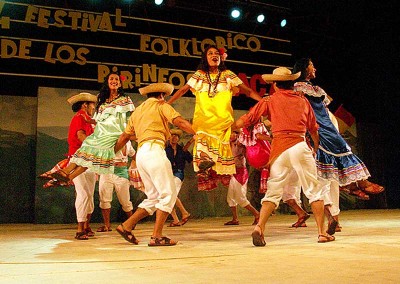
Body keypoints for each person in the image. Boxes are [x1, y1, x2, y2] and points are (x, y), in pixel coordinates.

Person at [233, 67, 334, 246]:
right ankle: (321, 233)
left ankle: (259, 228)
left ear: (274, 85)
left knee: (273, 192)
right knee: (313, 190)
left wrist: (231, 125)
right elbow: (314, 129)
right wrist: (315, 148)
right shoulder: (303, 101)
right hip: (299, 145)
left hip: (279, 150)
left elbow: (248, 118)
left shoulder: (270, 100)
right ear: (291, 83)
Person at [292, 58, 384, 233]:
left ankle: (353, 189)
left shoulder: (316, 89)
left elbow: (325, 108)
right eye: (312, 66)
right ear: (305, 69)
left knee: (334, 171)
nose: (315, 68)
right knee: (323, 179)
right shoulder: (298, 89)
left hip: (328, 127)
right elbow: (300, 112)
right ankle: (355, 187)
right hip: (316, 129)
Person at [168, 45, 263, 191]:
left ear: (220, 58)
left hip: (222, 122)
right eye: (210, 53)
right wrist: (167, 104)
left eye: (216, 53)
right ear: (205, 58)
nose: (214, 55)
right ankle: (205, 167)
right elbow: (182, 90)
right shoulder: (199, 75)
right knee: (203, 153)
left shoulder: (228, 75)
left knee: (218, 157)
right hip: (203, 121)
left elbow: (248, 91)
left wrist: (263, 102)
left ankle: (212, 169)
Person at [114, 82, 195, 247]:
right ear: (162, 95)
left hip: (142, 154)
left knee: (154, 196)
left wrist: (110, 153)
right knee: (168, 194)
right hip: (154, 150)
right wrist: (198, 132)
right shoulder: (161, 105)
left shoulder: (138, 111)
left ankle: (127, 226)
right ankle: (157, 236)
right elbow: (179, 122)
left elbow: (124, 137)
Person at [51, 71, 135, 182]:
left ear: (120, 84)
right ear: (107, 82)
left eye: (116, 79)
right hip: (101, 132)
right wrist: (91, 120)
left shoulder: (125, 100)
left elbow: (132, 117)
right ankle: (67, 173)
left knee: (93, 150)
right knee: (88, 146)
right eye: (111, 79)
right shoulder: (103, 101)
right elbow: (99, 119)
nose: (114, 81)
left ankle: (67, 173)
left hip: (114, 132)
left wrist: (132, 131)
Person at [66, 92, 98, 240]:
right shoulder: (79, 117)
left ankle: (86, 226)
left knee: (89, 195)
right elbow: (80, 136)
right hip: (78, 159)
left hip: (89, 161)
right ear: (85, 105)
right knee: (83, 194)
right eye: (92, 105)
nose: (93, 107)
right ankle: (80, 229)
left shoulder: (89, 121)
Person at [96, 141, 135, 232]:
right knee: (105, 199)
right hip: (107, 171)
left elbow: (134, 155)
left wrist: (136, 166)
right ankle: (107, 225)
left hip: (121, 172)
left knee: (125, 200)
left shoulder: (128, 142)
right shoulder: (109, 139)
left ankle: (131, 222)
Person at [224, 130, 260, 225]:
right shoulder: (228, 144)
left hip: (240, 173)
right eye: (230, 133)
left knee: (240, 198)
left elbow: (246, 148)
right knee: (230, 198)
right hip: (232, 172)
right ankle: (235, 219)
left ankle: (257, 214)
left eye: (234, 133)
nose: (231, 135)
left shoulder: (240, 143)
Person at [165, 129, 193, 227]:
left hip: (178, 174)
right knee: (169, 196)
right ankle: (176, 220)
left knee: (171, 194)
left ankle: (185, 213)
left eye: (176, 136)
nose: (174, 137)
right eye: (172, 135)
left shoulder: (182, 149)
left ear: (178, 138)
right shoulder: (165, 149)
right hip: (167, 174)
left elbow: (191, 160)